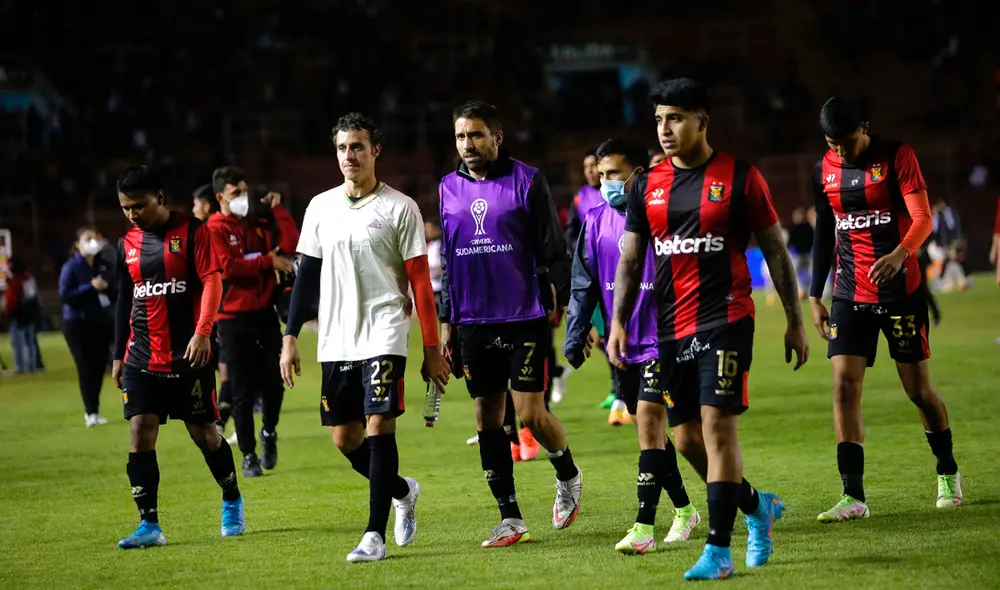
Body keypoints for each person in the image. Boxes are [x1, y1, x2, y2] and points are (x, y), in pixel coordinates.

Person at [611, 79, 808, 581]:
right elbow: (631, 259)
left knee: (718, 426)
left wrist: (794, 319)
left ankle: (719, 549)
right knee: (685, 440)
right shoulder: (646, 186)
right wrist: (617, 321)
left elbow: (775, 250)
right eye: (659, 119)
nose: (665, 129)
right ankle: (757, 505)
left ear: (702, 121)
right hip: (670, 328)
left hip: (727, 318)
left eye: (675, 118)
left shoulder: (741, 177)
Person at [279, 113, 449, 563]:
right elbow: (305, 277)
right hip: (335, 337)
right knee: (345, 438)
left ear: (376, 150)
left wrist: (431, 348)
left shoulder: (400, 208)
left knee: (378, 425)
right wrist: (290, 337)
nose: (349, 155)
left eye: (357, 146)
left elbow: (420, 284)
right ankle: (402, 491)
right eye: (342, 148)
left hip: (385, 330)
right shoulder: (320, 207)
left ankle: (374, 535)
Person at [809, 95, 962, 523]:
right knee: (843, 386)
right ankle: (852, 495)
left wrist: (900, 253)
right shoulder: (823, 169)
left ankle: (947, 470)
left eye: (847, 141)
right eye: (833, 144)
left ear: (865, 127)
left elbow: (923, 218)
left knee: (918, 392)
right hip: (849, 293)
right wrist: (814, 295)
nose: (841, 151)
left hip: (899, 293)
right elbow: (824, 229)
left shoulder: (897, 156)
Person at [438, 100, 581, 548]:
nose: (468, 144)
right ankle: (510, 518)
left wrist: (568, 304)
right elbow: (449, 261)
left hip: (523, 315)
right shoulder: (447, 188)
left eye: (476, 134)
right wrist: (447, 324)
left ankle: (568, 475)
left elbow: (553, 248)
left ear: (496, 137)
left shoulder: (528, 180)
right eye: (461, 136)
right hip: (472, 321)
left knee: (530, 414)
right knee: (486, 416)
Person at [564, 137, 701, 554]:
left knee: (649, 425)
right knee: (652, 434)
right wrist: (575, 334)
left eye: (615, 174)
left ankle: (643, 527)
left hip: (664, 338)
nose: (606, 182)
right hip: (622, 343)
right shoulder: (593, 221)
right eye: (602, 174)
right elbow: (583, 284)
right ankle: (687, 509)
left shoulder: (665, 217)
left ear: (638, 175)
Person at [111, 165, 245, 549]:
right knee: (140, 430)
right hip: (141, 355)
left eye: (139, 205)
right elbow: (124, 298)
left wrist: (203, 331)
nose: (132, 214)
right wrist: (118, 354)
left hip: (189, 355)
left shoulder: (192, 231)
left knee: (204, 435)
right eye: (125, 208)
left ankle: (231, 497)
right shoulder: (127, 243)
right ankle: (149, 524)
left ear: (159, 197)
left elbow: (212, 281)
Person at [207, 167, 298, 477]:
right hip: (232, 319)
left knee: (274, 385)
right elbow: (228, 267)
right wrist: (266, 262)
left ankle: (269, 432)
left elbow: (290, 242)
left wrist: (278, 210)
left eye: (244, 191)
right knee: (242, 391)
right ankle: (248, 455)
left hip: (264, 315)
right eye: (236, 193)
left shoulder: (255, 223)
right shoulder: (214, 229)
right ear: (220, 197)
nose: (243, 198)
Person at [59, 227, 116, 426]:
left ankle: (95, 410)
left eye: (95, 238)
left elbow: (117, 291)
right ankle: (90, 412)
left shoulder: (104, 265)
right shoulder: (71, 267)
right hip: (78, 324)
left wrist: (107, 287)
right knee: (86, 367)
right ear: (78, 244)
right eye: (87, 239)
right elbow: (65, 296)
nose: (93, 242)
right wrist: (89, 287)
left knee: (99, 367)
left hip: (101, 321)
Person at [4, 257, 40, 373]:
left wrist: (8, 312)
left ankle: (20, 367)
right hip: (29, 313)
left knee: (18, 342)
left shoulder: (16, 281)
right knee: (30, 342)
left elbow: (12, 300)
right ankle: (32, 366)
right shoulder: (28, 278)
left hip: (18, 314)